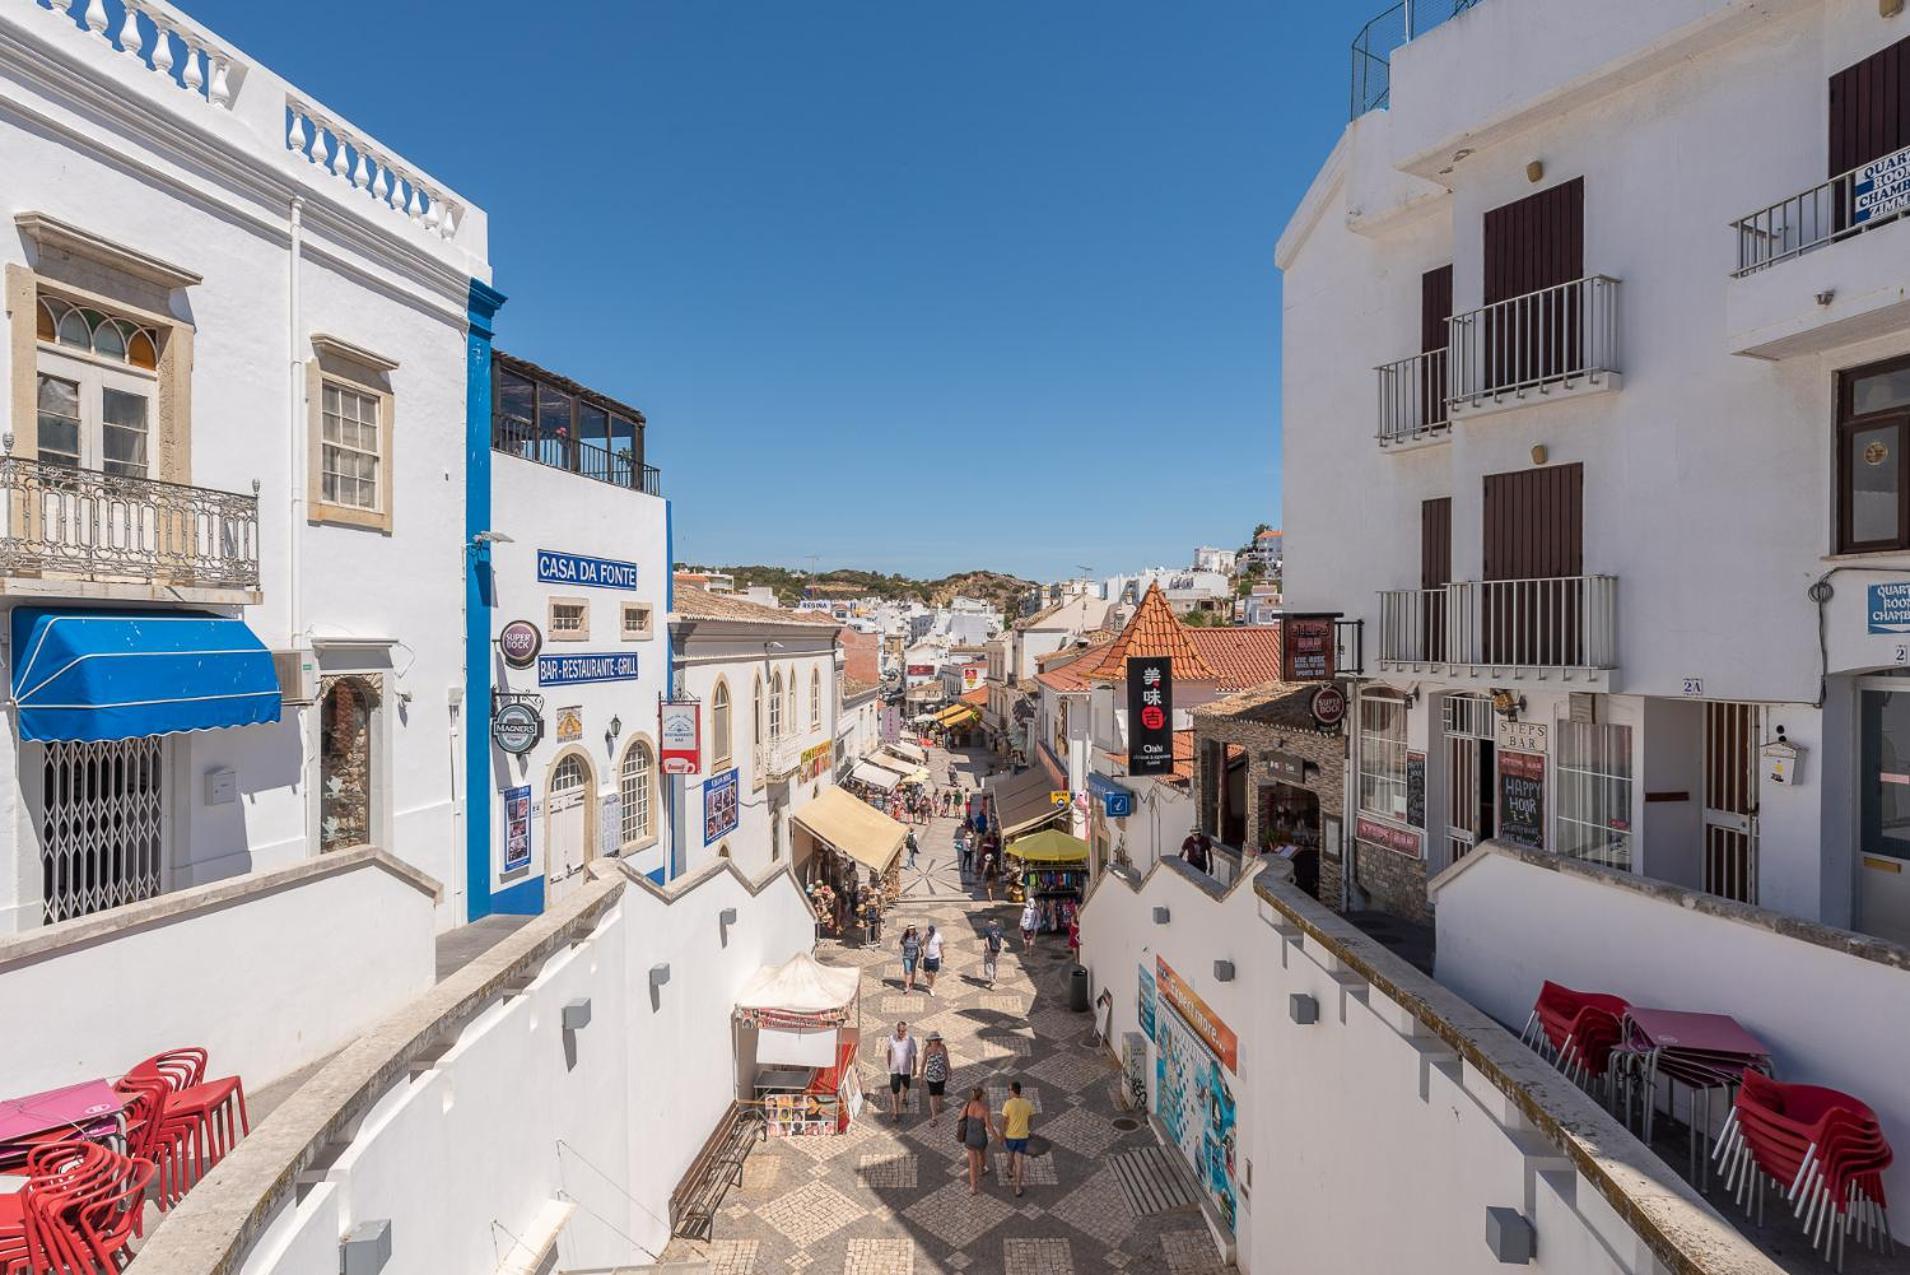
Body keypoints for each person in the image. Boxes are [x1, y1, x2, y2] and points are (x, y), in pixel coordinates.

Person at [1001, 1080, 1036, 1197]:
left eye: (1009, 1090)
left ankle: (1009, 1170)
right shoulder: (1028, 1103)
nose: (1008, 1092)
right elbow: (1031, 1118)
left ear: (1013, 1091)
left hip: (1011, 1136)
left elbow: (1005, 1121)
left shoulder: (1008, 1104)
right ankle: (1018, 1188)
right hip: (1023, 1136)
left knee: (1010, 1155)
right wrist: (1027, 1129)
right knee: (1019, 1162)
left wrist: (1003, 1133)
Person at [958, 1086, 996, 1194]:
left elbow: (959, 1118)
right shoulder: (984, 1109)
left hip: (969, 1138)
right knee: (982, 1155)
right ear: (981, 1096)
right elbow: (989, 1127)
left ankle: (973, 1188)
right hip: (980, 1138)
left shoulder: (968, 1105)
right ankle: (982, 1169)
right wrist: (998, 1138)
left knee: (972, 1164)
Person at [885, 1021, 918, 1121]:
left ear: (906, 1030)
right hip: (894, 1069)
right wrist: (889, 1063)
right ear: (897, 1030)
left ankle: (904, 1096)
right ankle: (896, 1112)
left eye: (902, 1031)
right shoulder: (892, 1039)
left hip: (906, 1070)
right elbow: (889, 1051)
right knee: (895, 1090)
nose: (900, 1033)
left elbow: (914, 1055)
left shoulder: (910, 1040)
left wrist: (915, 1068)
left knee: (906, 1086)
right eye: (899, 1031)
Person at [923, 1031, 951, 1126]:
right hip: (931, 1077)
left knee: (940, 1093)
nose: (934, 1042)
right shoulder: (927, 1049)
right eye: (932, 1040)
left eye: (936, 1040)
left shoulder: (942, 1048)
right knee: (932, 1095)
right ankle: (934, 1116)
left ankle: (939, 1105)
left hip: (941, 1076)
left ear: (938, 1040)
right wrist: (920, 1075)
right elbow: (923, 1062)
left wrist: (949, 1071)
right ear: (929, 1041)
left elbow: (946, 1059)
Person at [922, 925, 944, 996]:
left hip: (935, 958)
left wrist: (943, 956)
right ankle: (929, 982)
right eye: (930, 932)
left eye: (932, 932)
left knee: (933, 974)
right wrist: (925, 938)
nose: (931, 934)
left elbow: (941, 947)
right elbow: (921, 944)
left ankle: (931, 988)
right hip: (927, 957)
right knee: (926, 973)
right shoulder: (927, 936)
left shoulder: (938, 936)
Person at [982, 917, 1005, 988]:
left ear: (990, 921)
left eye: (988, 921)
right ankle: (995, 977)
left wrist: (988, 949)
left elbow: (986, 940)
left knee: (989, 964)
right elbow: (1001, 940)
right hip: (997, 949)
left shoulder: (987, 929)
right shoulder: (1000, 929)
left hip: (990, 949)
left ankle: (992, 979)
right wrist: (1000, 948)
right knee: (995, 963)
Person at [900, 925, 921, 993]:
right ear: (908, 930)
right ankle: (907, 986)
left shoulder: (917, 936)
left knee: (913, 970)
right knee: (907, 971)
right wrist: (902, 952)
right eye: (910, 929)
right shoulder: (904, 936)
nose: (911, 930)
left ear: (914, 929)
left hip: (915, 956)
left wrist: (922, 952)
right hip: (906, 956)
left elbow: (920, 944)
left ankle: (912, 984)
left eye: (912, 929)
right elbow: (900, 944)